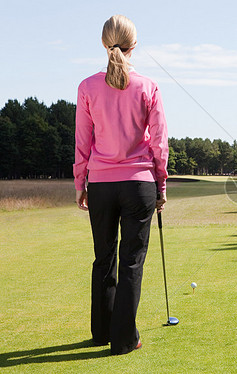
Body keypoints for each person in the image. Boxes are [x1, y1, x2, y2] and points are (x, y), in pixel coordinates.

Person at [73, 14, 169, 355]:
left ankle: (101, 332)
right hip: (138, 184)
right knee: (131, 262)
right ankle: (124, 339)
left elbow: (83, 142)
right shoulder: (148, 85)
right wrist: (161, 185)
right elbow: (159, 143)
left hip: (100, 183)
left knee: (104, 259)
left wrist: (79, 183)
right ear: (134, 45)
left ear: (104, 43)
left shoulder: (87, 86)